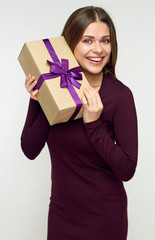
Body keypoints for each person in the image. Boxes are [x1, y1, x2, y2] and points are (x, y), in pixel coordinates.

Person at [21, 6, 138, 240]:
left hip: (104, 218)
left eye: (105, 40)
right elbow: (29, 149)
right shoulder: (50, 85)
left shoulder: (120, 95)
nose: (98, 49)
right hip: (61, 215)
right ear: (70, 43)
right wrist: (46, 102)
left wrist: (93, 125)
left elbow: (127, 169)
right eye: (87, 40)